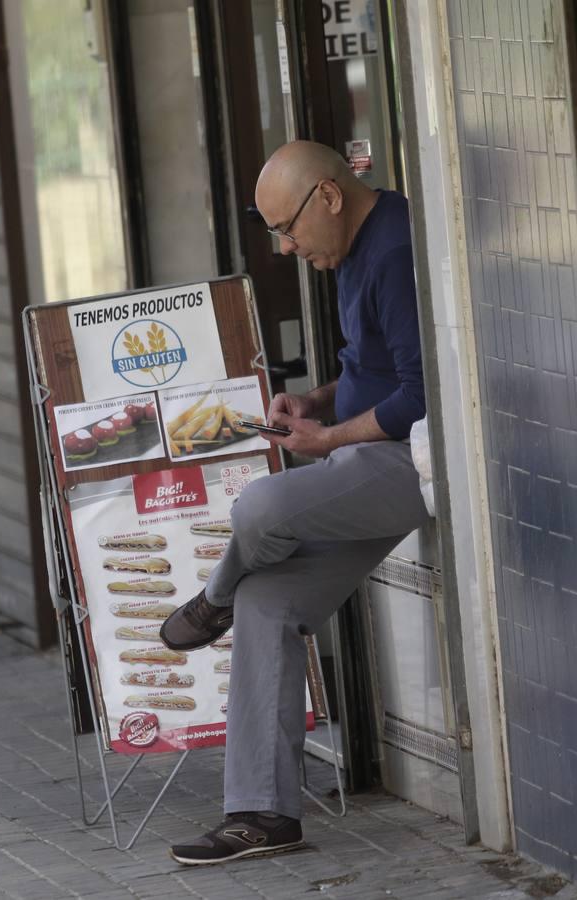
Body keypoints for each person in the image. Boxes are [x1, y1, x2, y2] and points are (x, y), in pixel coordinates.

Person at [160, 140, 431, 865]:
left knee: (258, 510)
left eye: (288, 227)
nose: (285, 246)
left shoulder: (397, 247)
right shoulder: (351, 250)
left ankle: (213, 594)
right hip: (363, 459)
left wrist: (327, 438)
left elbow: (419, 394)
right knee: (269, 604)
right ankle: (263, 816)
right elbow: (368, 373)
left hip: (409, 465)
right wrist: (311, 403)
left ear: (332, 198)